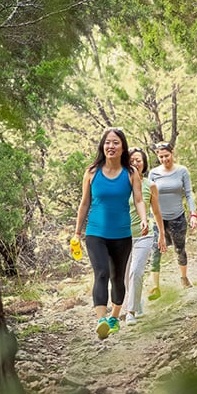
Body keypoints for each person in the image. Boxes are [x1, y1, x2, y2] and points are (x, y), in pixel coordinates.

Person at [73, 128, 148, 339]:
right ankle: (101, 320)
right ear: (102, 146)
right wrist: (77, 232)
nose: (111, 146)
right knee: (101, 273)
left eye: (115, 143)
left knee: (117, 278)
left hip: (122, 234)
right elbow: (84, 203)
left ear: (122, 146)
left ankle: (115, 316)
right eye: (107, 143)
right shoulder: (92, 172)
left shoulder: (131, 173)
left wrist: (143, 218)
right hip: (96, 232)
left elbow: (140, 200)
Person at [147, 140, 197, 300]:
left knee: (179, 249)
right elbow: (149, 197)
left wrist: (193, 214)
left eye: (166, 156)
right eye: (161, 157)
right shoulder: (154, 173)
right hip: (159, 219)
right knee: (156, 251)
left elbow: (189, 193)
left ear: (172, 153)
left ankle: (183, 278)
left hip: (177, 218)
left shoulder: (182, 171)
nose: (164, 159)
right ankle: (155, 287)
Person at [123, 147, 167, 325]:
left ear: (144, 163)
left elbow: (156, 212)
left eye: (138, 160)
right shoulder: (120, 184)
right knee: (125, 276)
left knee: (136, 272)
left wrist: (161, 235)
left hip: (144, 236)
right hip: (122, 237)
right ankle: (137, 302)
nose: (135, 163)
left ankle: (130, 312)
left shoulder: (151, 185)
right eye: (132, 160)